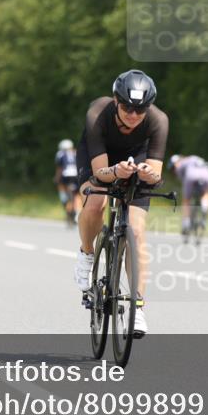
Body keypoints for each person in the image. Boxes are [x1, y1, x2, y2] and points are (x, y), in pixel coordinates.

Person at [74, 69, 168, 338]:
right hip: (100, 156)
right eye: (127, 107)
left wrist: (149, 174)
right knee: (96, 203)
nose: (133, 115)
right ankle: (86, 253)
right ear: (116, 100)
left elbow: (156, 175)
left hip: (136, 157)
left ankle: (137, 308)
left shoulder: (159, 120)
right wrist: (116, 171)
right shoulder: (98, 112)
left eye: (140, 109)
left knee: (136, 232)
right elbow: (99, 173)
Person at [169, 154, 208, 237]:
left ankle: (186, 223)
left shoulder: (181, 164)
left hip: (191, 176)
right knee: (206, 193)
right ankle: (205, 208)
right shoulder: (194, 158)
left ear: (176, 162)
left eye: (173, 167)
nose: (174, 170)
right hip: (207, 174)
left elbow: (182, 179)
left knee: (186, 200)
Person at [54, 139, 82, 224]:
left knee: (63, 190)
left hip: (65, 175)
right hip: (76, 175)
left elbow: (60, 168)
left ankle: (65, 203)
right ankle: (77, 213)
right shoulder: (75, 152)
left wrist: (57, 178)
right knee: (77, 195)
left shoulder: (60, 154)